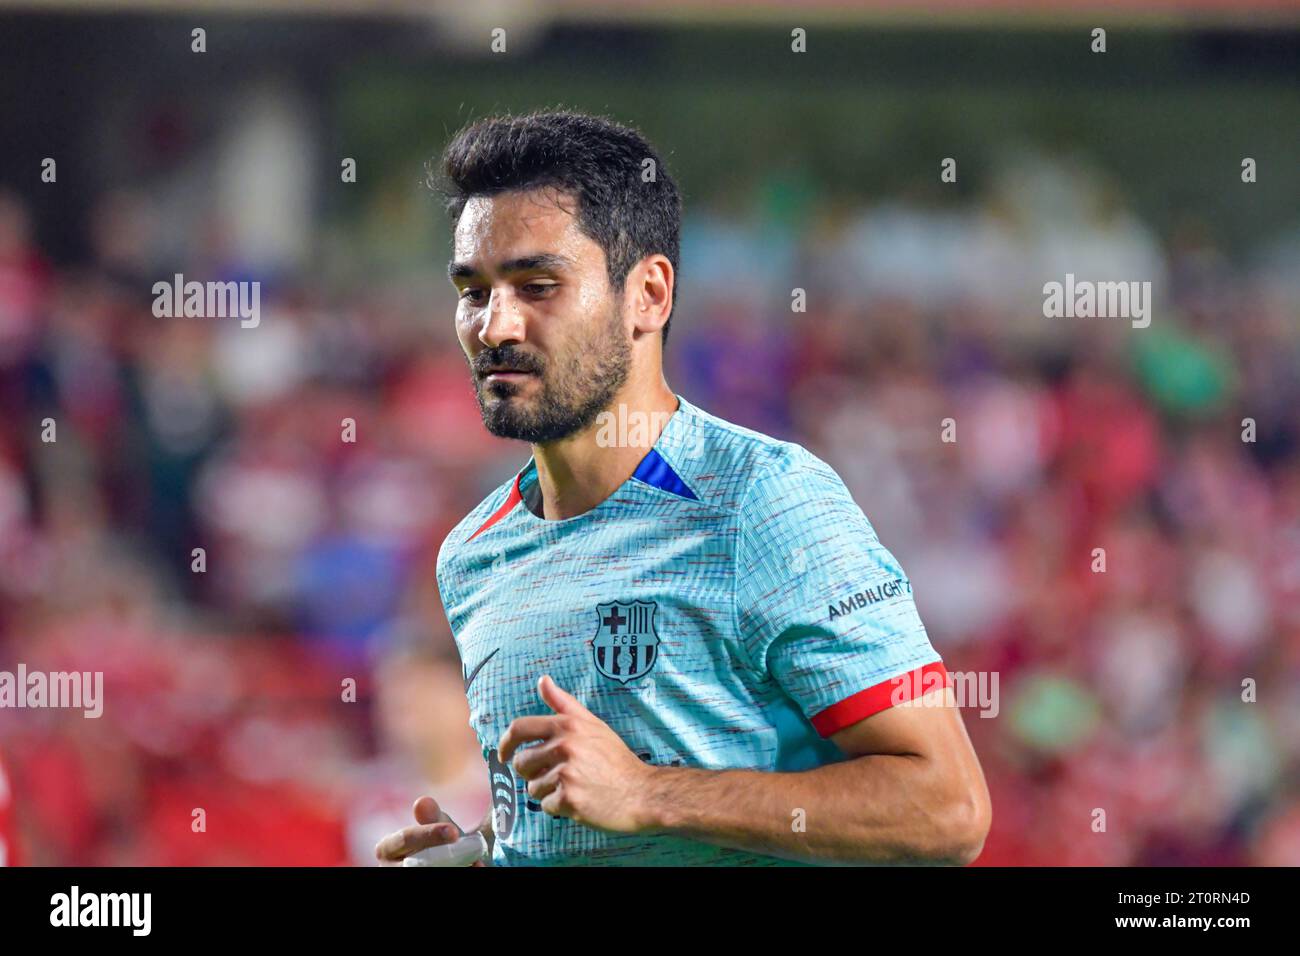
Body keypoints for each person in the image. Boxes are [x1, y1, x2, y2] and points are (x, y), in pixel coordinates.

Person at [376, 110, 990, 866]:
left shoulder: (762, 501)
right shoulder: (472, 555)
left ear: (649, 295)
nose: (495, 325)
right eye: (474, 291)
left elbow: (947, 807)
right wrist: (489, 853)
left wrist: (649, 793)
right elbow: (593, 811)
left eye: (537, 285)